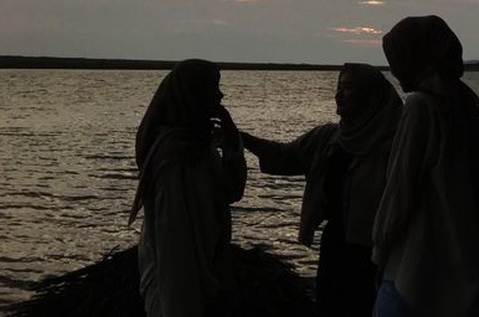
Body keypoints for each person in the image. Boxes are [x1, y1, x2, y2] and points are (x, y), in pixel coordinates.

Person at [372, 16, 479, 317]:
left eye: (398, 58)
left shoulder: (420, 107)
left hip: (416, 268)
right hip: (467, 265)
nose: (394, 69)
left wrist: (379, 249)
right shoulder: (465, 102)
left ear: (417, 57)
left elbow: (399, 191)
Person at [241, 63, 402, 317]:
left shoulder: (394, 144)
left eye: (348, 87)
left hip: (377, 253)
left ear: (370, 95)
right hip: (336, 245)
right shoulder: (328, 138)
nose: (339, 94)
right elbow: (284, 156)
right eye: (338, 86)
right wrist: (241, 138)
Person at [128, 59, 247, 317]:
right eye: (213, 89)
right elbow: (174, 244)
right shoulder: (174, 156)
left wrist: (232, 143)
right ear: (194, 94)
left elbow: (232, 192)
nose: (220, 95)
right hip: (178, 289)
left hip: (202, 271)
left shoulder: (199, 145)